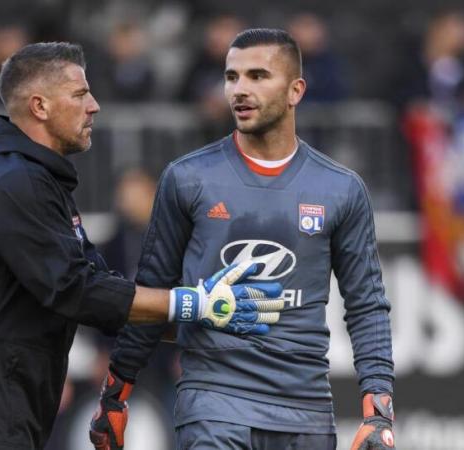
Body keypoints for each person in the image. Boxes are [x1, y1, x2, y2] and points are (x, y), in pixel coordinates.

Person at [0, 42, 286, 450]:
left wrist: (206, 323)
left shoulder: (36, 181)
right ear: (40, 106)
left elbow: (103, 292)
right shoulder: (13, 181)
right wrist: (194, 303)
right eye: (79, 93)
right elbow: (75, 289)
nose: (94, 105)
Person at [90, 29, 396, 450]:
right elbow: (153, 294)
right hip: (213, 405)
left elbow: (367, 306)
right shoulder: (187, 178)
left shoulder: (340, 189)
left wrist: (379, 409)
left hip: (305, 411)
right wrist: (115, 395)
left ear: (295, 91)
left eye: (257, 76)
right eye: (231, 77)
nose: (239, 89)